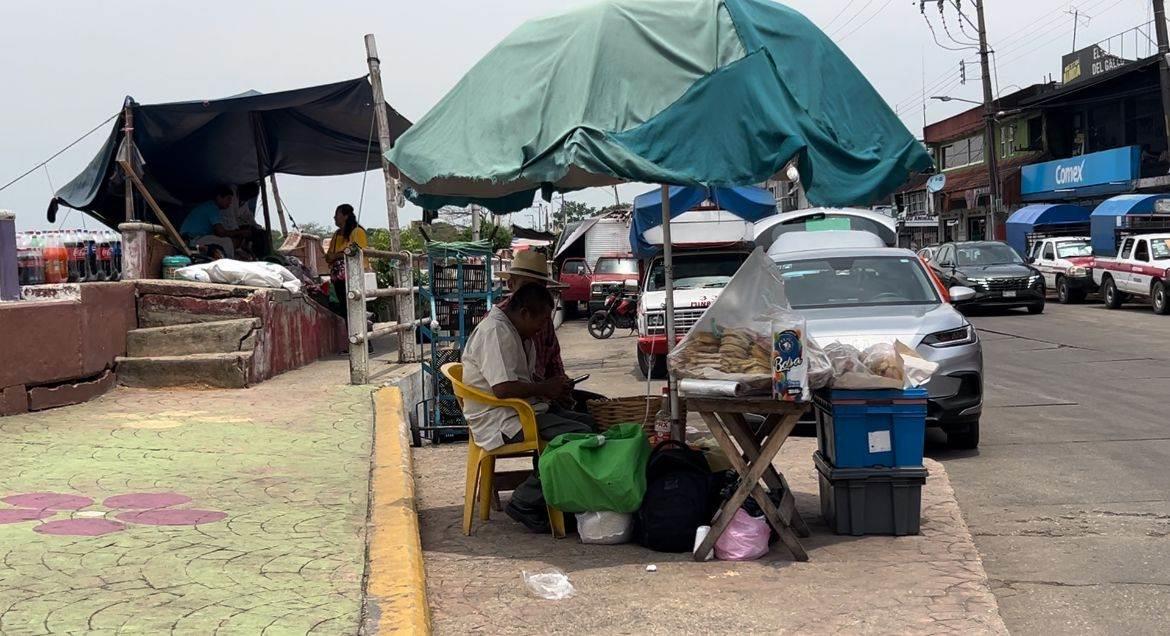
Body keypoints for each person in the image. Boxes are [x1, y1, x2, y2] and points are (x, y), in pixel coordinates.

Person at [462, 283, 597, 532]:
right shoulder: (495, 332)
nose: (544, 326)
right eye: (542, 320)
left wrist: (555, 388)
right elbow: (502, 388)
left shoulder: (520, 334)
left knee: (588, 422)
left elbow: (522, 379)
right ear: (524, 313)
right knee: (580, 436)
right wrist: (545, 388)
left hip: (524, 409)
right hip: (502, 418)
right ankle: (525, 499)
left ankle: (549, 495)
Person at [495, 250, 604, 409]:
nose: (533, 294)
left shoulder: (542, 319)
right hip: (517, 409)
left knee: (598, 406)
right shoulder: (499, 327)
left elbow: (553, 360)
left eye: (539, 287)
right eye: (526, 286)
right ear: (511, 285)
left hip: (540, 397)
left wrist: (561, 385)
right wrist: (545, 388)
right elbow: (503, 388)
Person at [324, 204, 368, 317]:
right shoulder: (336, 234)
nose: (334, 217)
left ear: (345, 216)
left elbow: (358, 252)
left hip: (353, 276)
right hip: (338, 279)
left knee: (352, 306)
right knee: (343, 307)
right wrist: (331, 257)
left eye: (337, 214)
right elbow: (329, 254)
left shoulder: (357, 231)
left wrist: (336, 256)